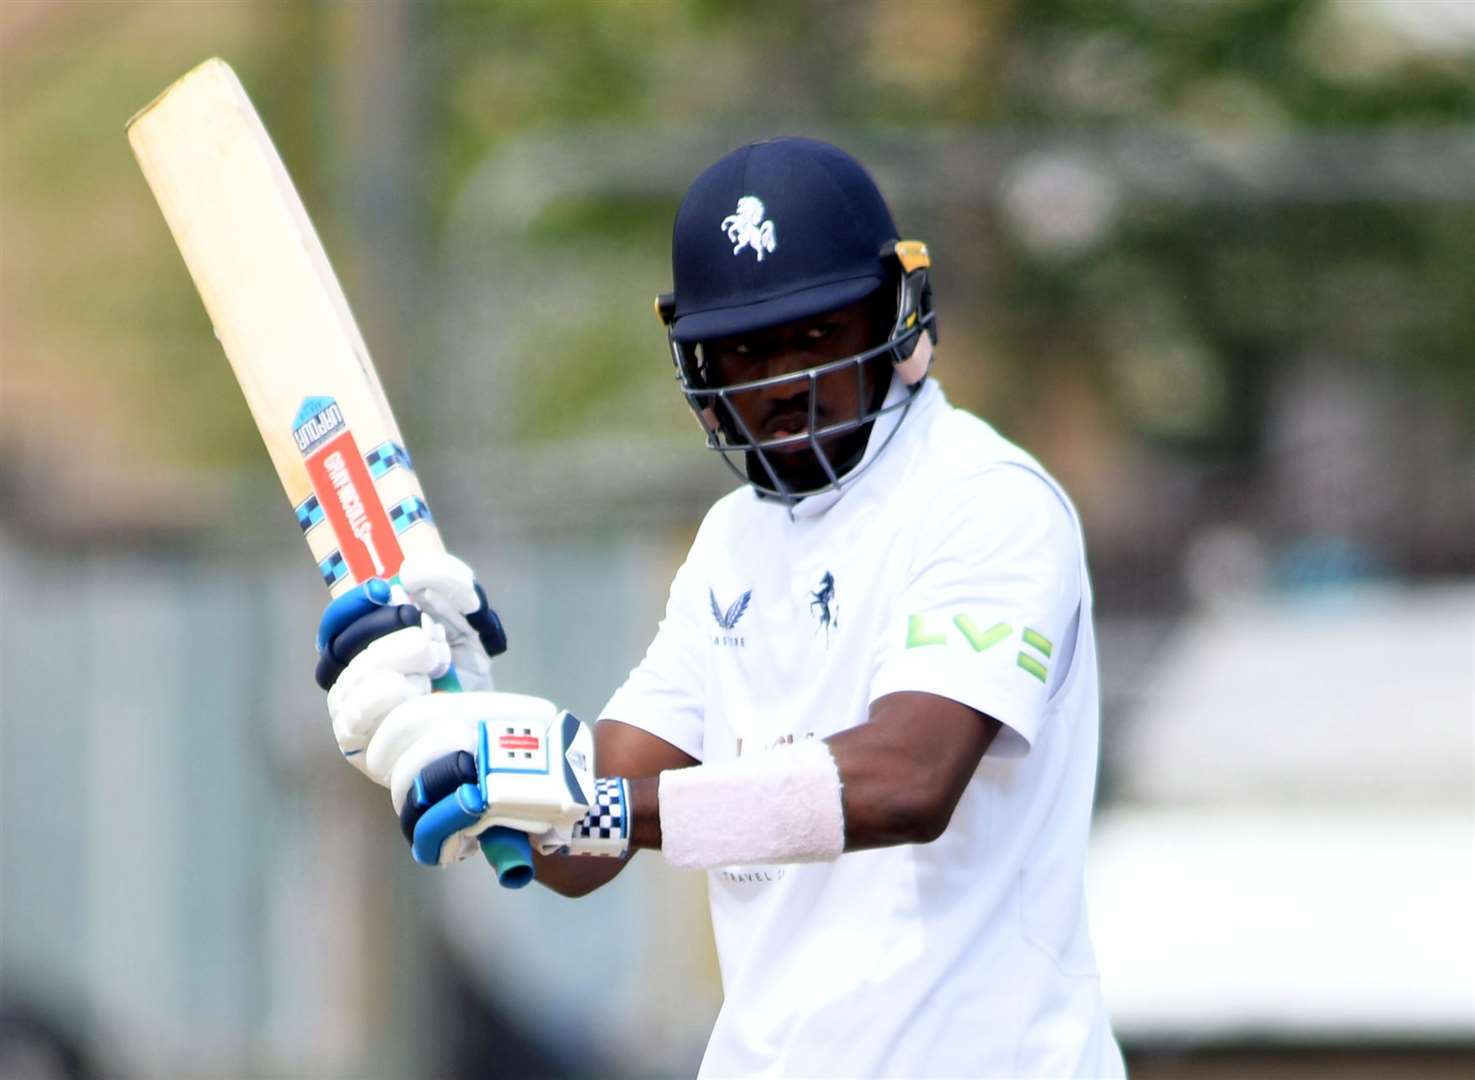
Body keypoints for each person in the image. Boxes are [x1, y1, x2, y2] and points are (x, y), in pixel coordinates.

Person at [316, 137, 1125, 1078]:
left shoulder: (984, 499)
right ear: (699, 368)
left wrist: (610, 807)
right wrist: (469, 723)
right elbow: (582, 848)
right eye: (744, 351)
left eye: (817, 335)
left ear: (897, 320)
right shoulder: (730, 544)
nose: (783, 383)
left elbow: (908, 781)